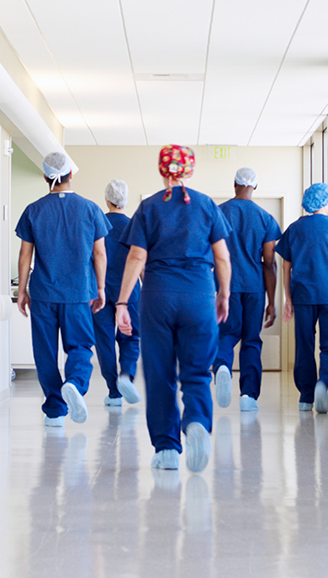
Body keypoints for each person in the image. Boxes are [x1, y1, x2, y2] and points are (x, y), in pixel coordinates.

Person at [115, 145, 232, 473]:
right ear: (189, 171)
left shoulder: (149, 207)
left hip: (158, 296)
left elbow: (137, 257)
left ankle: (166, 448)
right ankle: (195, 420)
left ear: (162, 170)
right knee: (196, 370)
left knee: (160, 372)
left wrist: (122, 302)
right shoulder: (207, 205)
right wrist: (223, 294)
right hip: (199, 293)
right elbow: (222, 256)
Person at [15, 152, 111, 426]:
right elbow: (100, 254)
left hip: (43, 293)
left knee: (45, 352)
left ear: (46, 177)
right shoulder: (90, 209)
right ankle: (75, 383)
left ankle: (55, 411)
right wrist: (101, 288)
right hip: (79, 292)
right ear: (71, 174)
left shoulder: (33, 210)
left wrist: (22, 290)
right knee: (80, 346)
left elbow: (25, 256)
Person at [275, 183, 328, 414]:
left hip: (303, 295)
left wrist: (288, 298)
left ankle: (306, 397)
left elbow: (286, 267)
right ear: (326, 202)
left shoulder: (294, 229)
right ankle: (323, 382)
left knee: (304, 345)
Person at [212, 168, 281, 412]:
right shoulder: (265, 218)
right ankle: (248, 396)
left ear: (234, 185)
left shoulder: (218, 213)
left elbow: (209, 254)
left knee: (226, 335)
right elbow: (270, 263)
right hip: (254, 287)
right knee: (251, 340)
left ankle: (221, 366)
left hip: (225, 286)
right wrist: (272, 301)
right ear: (255, 187)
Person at [91, 179, 141, 407]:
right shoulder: (134, 225)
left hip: (99, 290)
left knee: (104, 341)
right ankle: (126, 376)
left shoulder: (96, 223)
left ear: (107, 199)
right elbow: (140, 260)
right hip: (129, 292)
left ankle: (113, 392)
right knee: (130, 337)